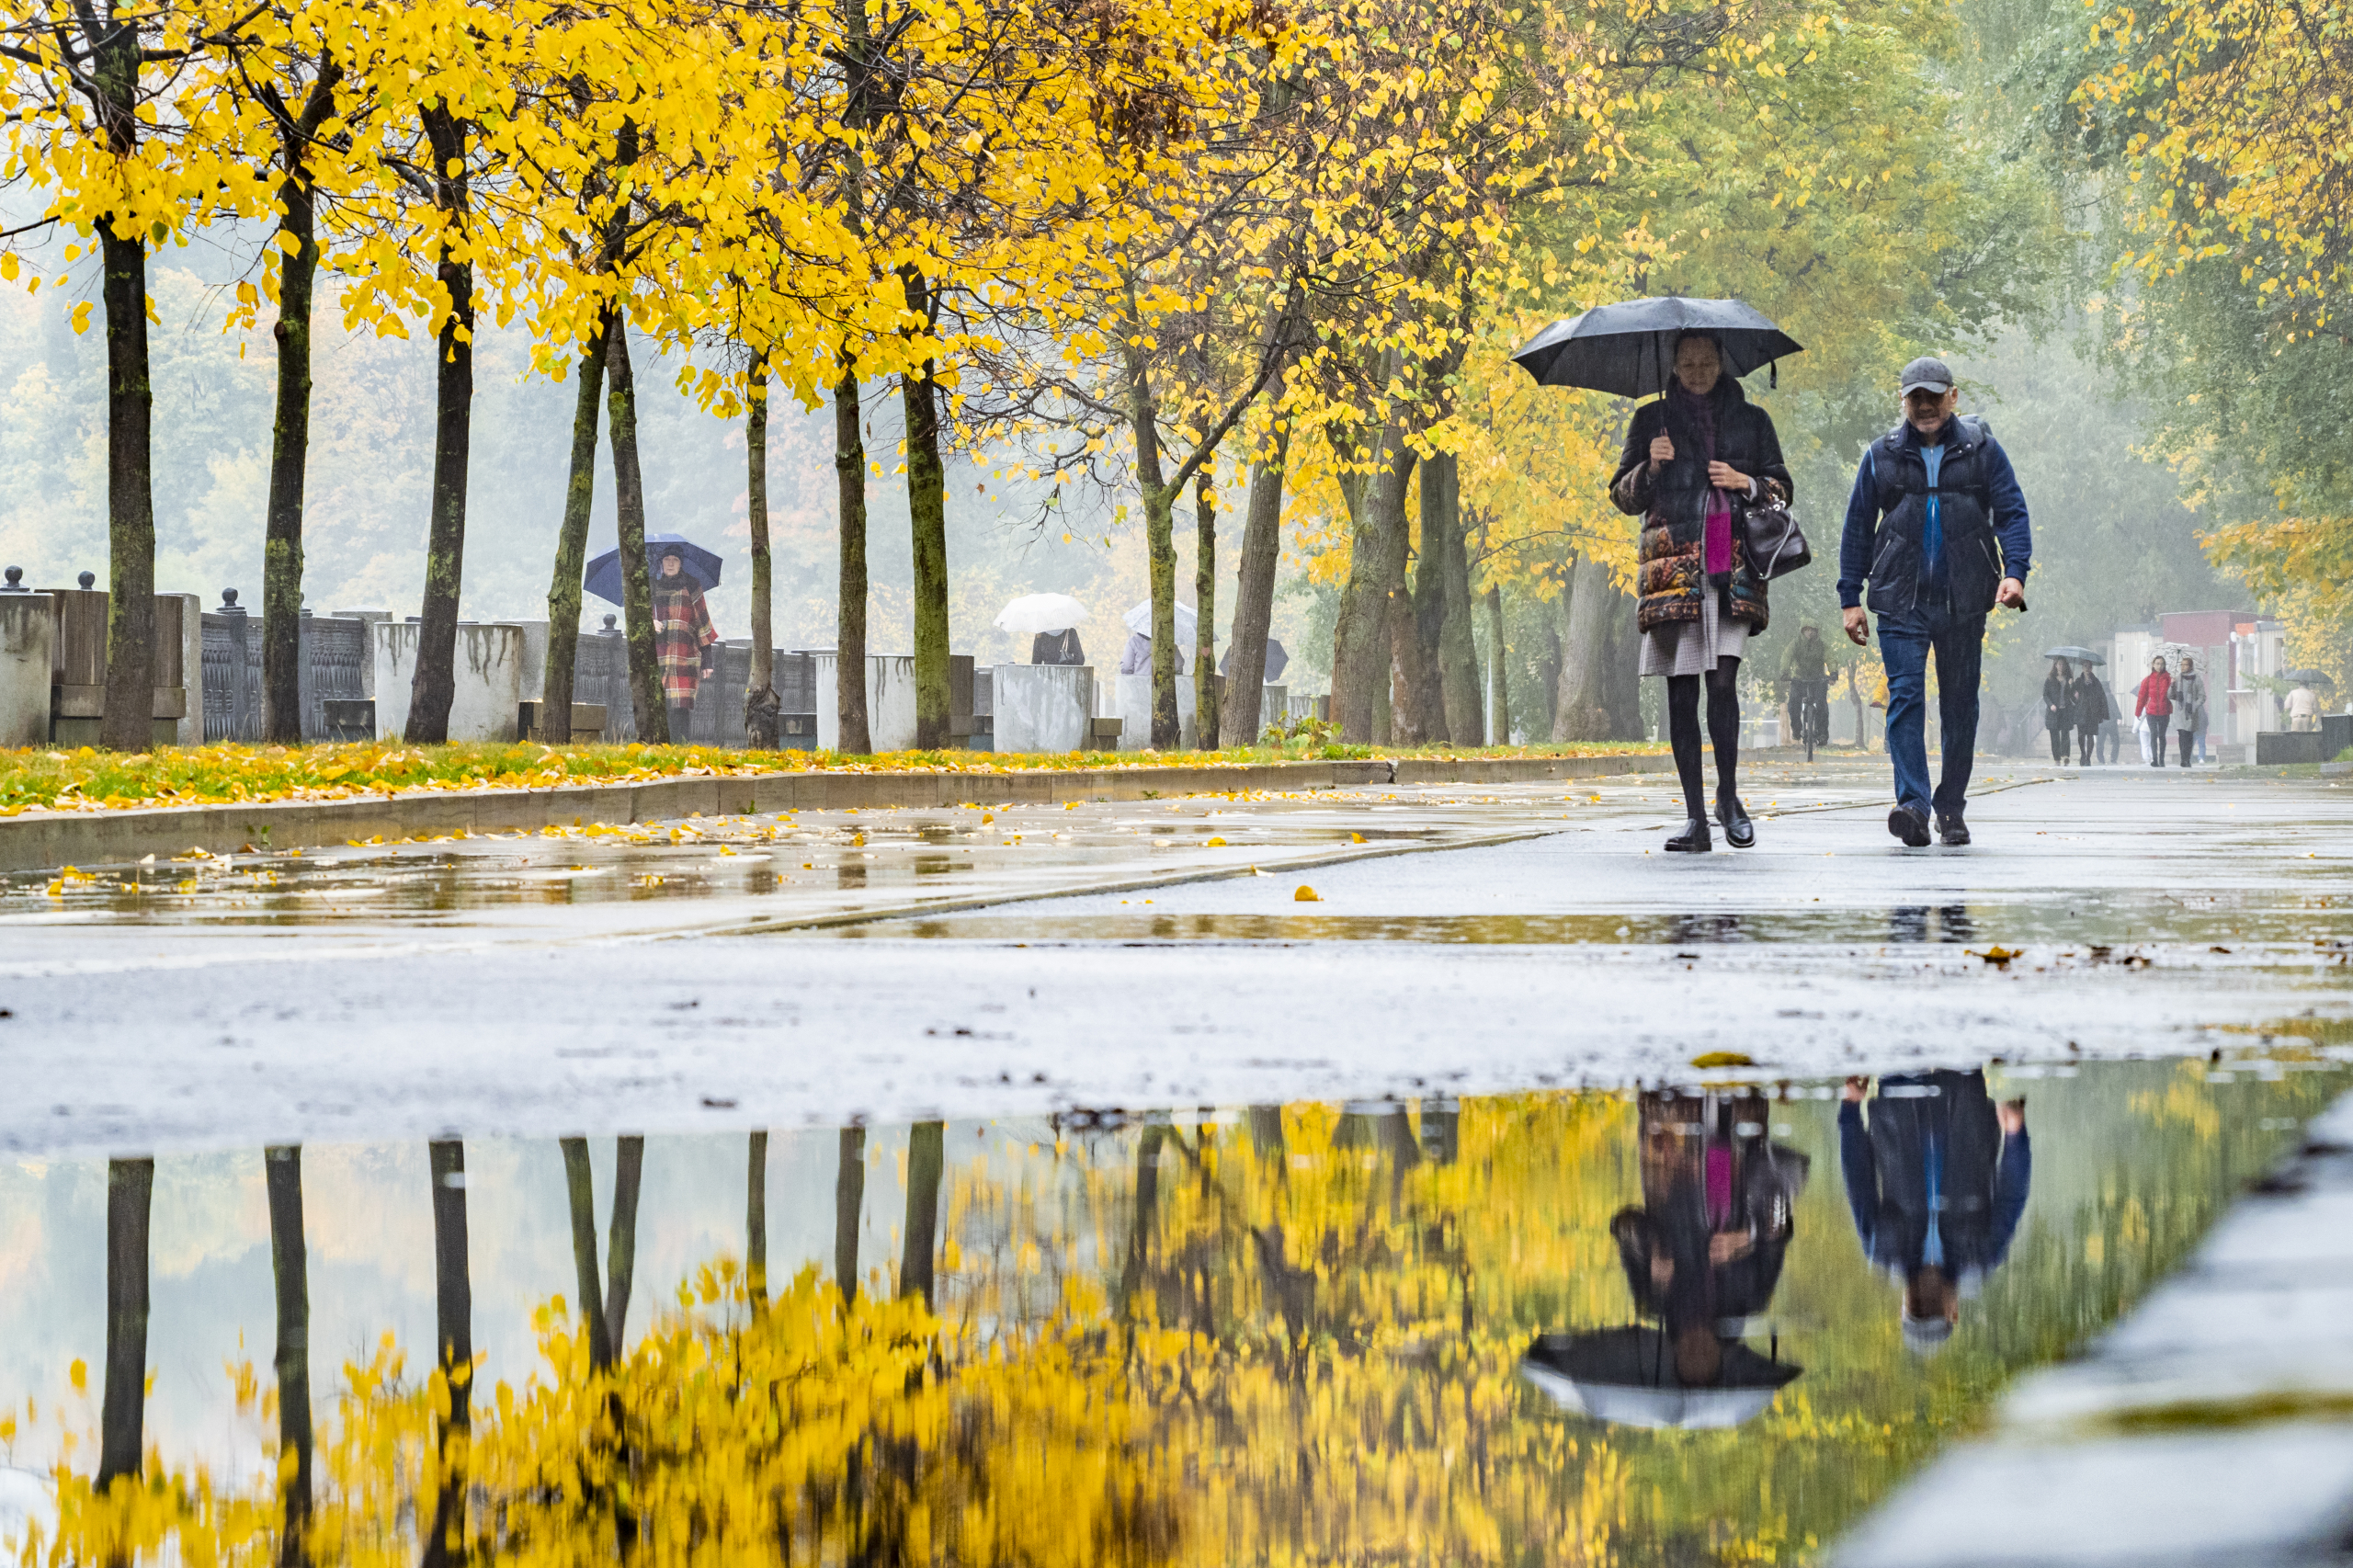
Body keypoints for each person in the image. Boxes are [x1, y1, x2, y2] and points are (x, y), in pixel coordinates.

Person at [1610, 330, 1793, 852]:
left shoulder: (1753, 419)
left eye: (1706, 362)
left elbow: (1781, 487)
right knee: (1682, 692)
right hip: (1673, 572)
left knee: (1722, 686)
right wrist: (1652, 465)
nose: (1696, 371)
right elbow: (1622, 495)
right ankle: (1694, 818)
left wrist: (1746, 482)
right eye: (1687, 362)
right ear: (1673, 365)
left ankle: (1728, 798)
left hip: (1731, 568)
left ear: (1721, 363)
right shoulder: (1652, 420)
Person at [1838, 358, 2033, 847]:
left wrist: (2015, 574)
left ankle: (1951, 808)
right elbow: (1858, 527)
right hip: (1899, 601)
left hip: (1964, 599)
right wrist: (1850, 598)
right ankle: (1913, 805)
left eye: (1933, 395)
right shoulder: (1880, 455)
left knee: (1960, 707)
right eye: (1914, 397)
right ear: (1902, 400)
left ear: (1953, 397)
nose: (1924, 405)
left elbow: (2011, 512)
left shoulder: (1982, 450)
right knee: (1905, 698)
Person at [1611, 1089, 1810, 1385]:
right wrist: (1749, 1236)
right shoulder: (1752, 1298)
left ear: (1675, 1355)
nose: (1697, 1353)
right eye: (1705, 1361)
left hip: (1672, 1152)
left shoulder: (1653, 1299)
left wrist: (1651, 1250)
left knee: (1674, 1076)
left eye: (1688, 1360)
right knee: (1734, 1078)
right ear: (1720, 1358)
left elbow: (1623, 1224)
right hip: (1738, 1157)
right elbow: (1781, 1221)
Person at [1840, 1071, 2030, 1353]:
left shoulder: (1881, 1251)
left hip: (1897, 1101)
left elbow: (1859, 1181)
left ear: (1903, 1310)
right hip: (1965, 1100)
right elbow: (2011, 1196)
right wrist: (2015, 1137)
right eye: (1933, 1311)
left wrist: (1850, 1111)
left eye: (1918, 1311)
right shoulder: (1982, 1256)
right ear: (1953, 1313)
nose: (1925, 1303)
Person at [652, 550, 718, 740]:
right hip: (657, 655)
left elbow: (703, 623)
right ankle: (658, 749)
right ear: (661, 562)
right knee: (658, 704)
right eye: (666, 559)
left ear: (681, 563)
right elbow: (637, 617)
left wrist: (708, 660)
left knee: (680, 705)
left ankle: (681, 747)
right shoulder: (651, 585)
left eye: (675, 559)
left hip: (685, 655)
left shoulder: (691, 585)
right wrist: (649, 622)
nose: (670, 563)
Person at [1781, 624, 1833, 751]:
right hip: (1799, 679)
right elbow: (1786, 657)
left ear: (1816, 632)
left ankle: (1822, 735)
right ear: (1803, 631)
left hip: (1818, 679)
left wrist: (1833, 673)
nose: (1810, 633)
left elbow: (1830, 658)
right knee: (1793, 704)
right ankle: (1797, 729)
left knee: (1822, 706)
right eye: (1807, 630)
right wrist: (1784, 672)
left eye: (1813, 630)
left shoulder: (1822, 645)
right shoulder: (1795, 644)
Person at [2134, 654, 2174, 767]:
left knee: (2162, 735)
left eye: (2162, 664)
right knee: (2153, 735)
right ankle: (2155, 759)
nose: (2159, 666)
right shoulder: (2147, 680)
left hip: (2164, 710)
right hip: (2151, 711)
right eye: (2157, 663)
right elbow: (2142, 697)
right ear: (2153, 665)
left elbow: (2174, 694)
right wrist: (2138, 711)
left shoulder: (2168, 679)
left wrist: (2174, 684)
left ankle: (2162, 759)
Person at [2172, 655, 2208, 767]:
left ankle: (2187, 759)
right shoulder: (2178, 679)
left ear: (2190, 666)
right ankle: (2184, 759)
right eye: (2181, 665)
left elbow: (2202, 696)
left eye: (2185, 664)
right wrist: (2172, 685)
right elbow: (2170, 695)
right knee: (2182, 735)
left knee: (2189, 736)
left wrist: (2194, 706)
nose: (2183, 667)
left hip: (2191, 714)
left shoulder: (2196, 679)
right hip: (2179, 712)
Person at [2070, 664, 2109, 766]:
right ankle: (2083, 753)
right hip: (2081, 711)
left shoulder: (2096, 682)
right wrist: (2071, 686)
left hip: (2093, 712)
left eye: (2089, 667)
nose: (2087, 669)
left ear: (2091, 669)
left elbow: (2101, 697)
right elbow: (2071, 696)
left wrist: (2102, 713)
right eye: (2085, 666)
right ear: (2082, 668)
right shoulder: (2078, 681)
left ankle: (2088, 757)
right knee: (2081, 734)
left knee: (2090, 735)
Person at [2042, 658, 2075, 766]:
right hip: (2054, 712)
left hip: (2065, 711)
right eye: (2059, 664)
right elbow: (2045, 695)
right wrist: (2051, 705)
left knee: (2065, 734)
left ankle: (2065, 756)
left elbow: (2072, 695)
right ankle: (2057, 758)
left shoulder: (2069, 678)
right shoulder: (2050, 679)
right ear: (2055, 665)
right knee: (2054, 735)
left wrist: (2071, 685)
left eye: (2063, 664)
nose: (2061, 666)